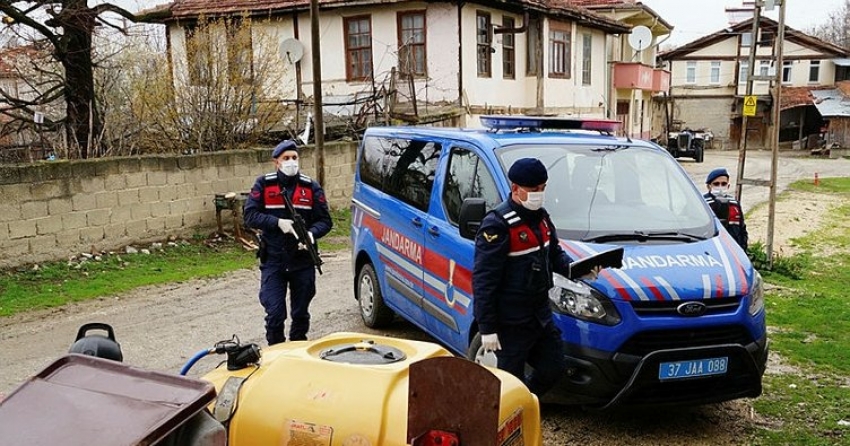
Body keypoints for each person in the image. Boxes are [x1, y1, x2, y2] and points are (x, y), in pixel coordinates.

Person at [472, 158, 600, 396]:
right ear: (515, 189)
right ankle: (513, 420)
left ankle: (527, 402)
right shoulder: (497, 226)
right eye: (533, 190)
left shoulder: (541, 218)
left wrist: (578, 270)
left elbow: (554, 255)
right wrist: (487, 327)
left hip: (540, 317)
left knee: (554, 368)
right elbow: (483, 281)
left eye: (542, 189)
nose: (539, 194)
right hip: (510, 323)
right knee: (510, 384)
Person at [243, 140, 332, 345]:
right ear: (277, 162)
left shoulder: (310, 187)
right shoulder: (264, 184)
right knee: (275, 314)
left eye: (294, 158)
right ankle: (276, 353)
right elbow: (250, 215)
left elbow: (325, 221)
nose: (291, 162)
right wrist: (276, 222)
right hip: (274, 259)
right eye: (286, 158)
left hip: (303, 260)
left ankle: (297, 349)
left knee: (300, 313)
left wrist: (311, 234)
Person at [703, 167, 748, 251]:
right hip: (711, 250)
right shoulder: (703, 204)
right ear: (709, 186)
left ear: (728, 185)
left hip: (733, 249)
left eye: (723, 184)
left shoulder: (734, 204)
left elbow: (742, 230)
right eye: (716, 184)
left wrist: (742, 249)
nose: (720, 187)